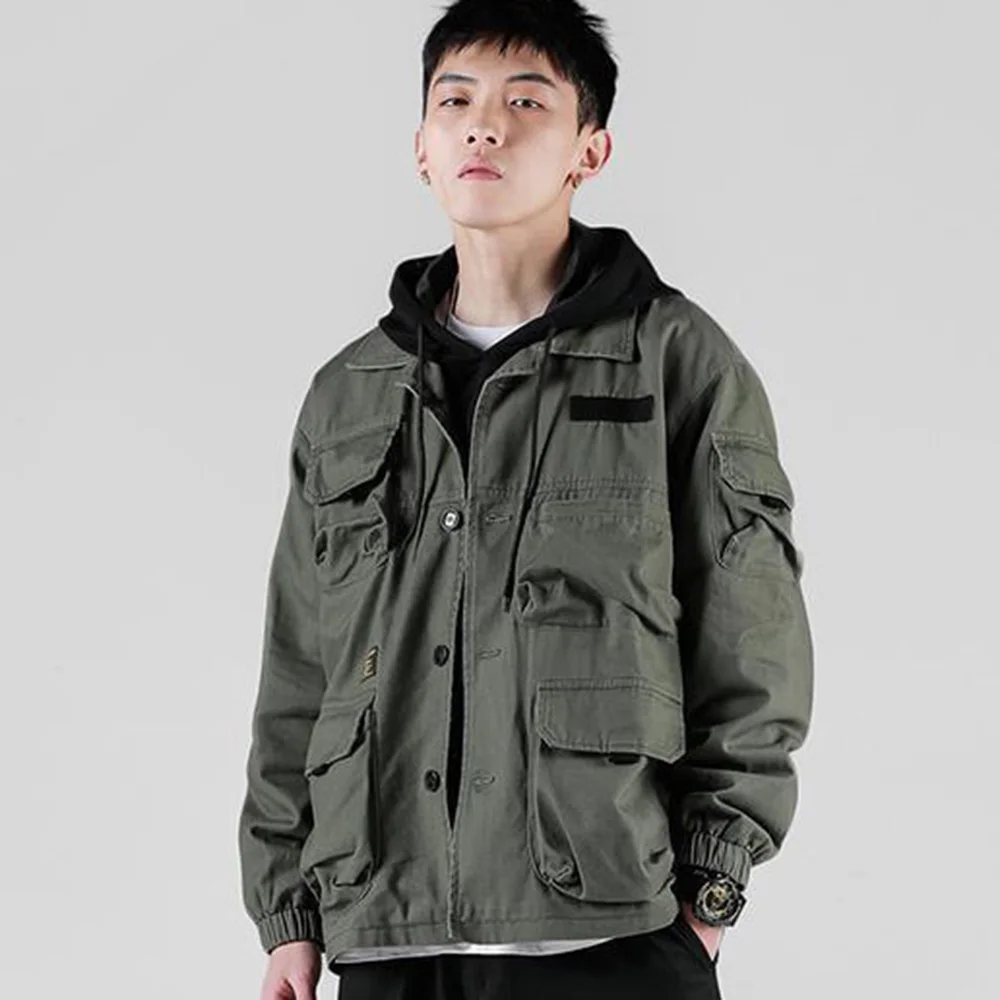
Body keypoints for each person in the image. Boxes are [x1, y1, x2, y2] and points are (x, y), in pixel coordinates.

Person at [237, 1, 815, 997]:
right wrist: (289, 911)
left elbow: (752, 639)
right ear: (421, 148)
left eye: (525, 103)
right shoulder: (349, 395)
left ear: (590, 150)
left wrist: (709, 892)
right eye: (455, 101)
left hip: (613, 933)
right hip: (388, 934)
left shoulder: (675, 362)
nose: (484, 127)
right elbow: (301, 665)